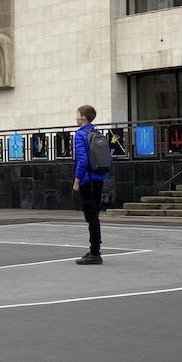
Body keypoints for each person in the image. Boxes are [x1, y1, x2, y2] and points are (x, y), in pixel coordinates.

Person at [73, 105, 109, 265]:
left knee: (91, 216)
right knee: (95, 215)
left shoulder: (80, 134)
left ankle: (95, 253)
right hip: (99, 177)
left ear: (84, 118)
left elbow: (82, 160)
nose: (76, 117)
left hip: (87, 179)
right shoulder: (96, 133)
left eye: (78, 115)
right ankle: (95, 250)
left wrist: (77, 179)